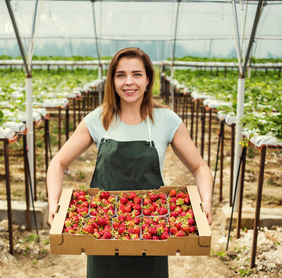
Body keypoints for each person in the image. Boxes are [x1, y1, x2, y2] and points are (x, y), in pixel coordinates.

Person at [46, 47, 213, 278]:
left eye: (137, 74)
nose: (129, 82)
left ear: (148, 80)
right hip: (103, 228)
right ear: (112, 81)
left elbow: (199, 167)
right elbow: (58, 163)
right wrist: (54, 202)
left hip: (153, 229)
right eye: (121, 75)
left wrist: (206, 201)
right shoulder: (98, 119)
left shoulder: (166, 120)